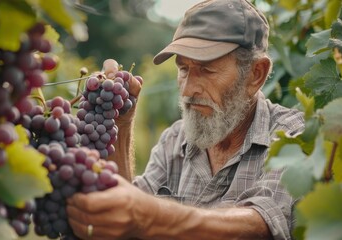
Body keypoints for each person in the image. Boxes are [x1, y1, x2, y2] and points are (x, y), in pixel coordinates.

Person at [67, 0, 305, 239]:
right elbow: (126, 219)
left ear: (256, 74)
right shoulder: (174, 140)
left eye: (207, 70)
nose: (188, 89)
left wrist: (149, 216)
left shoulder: (294, 138)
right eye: (183, 69)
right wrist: (121, 124)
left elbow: (260, 225)